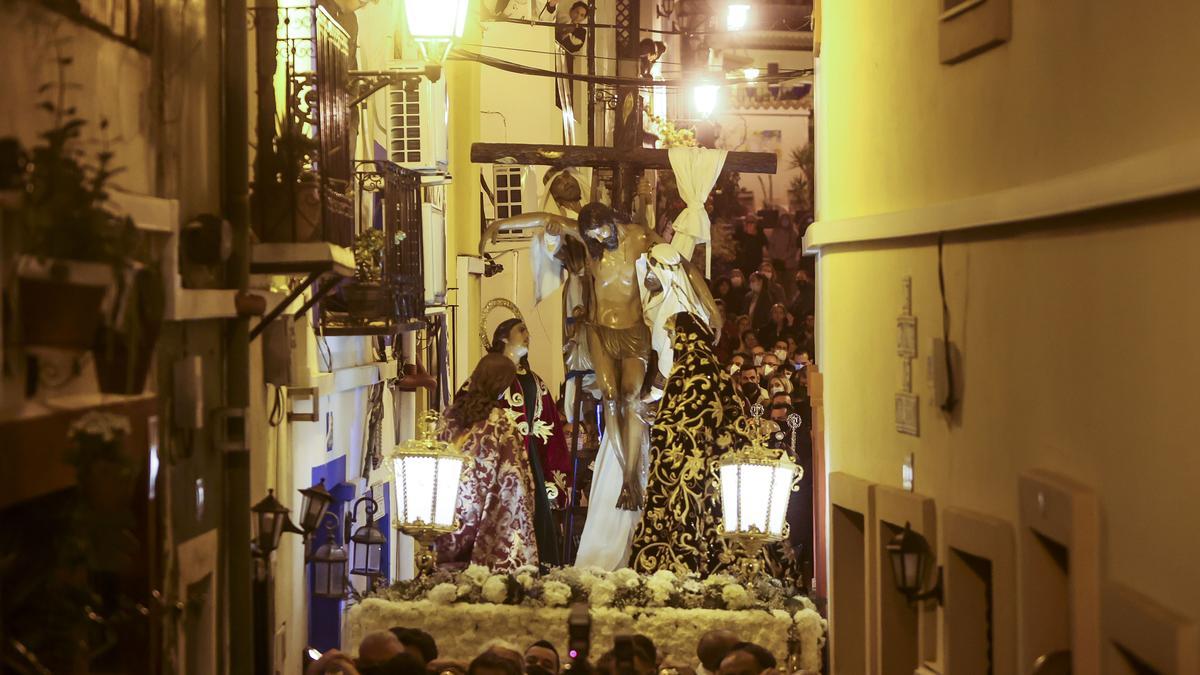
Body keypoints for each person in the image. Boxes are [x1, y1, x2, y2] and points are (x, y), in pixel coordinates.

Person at [483, 203, 718, 571]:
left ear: (612, 222)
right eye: (592, 238)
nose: (599, 242)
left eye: (603, 235)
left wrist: (709, 306)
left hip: (633, 333)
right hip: (599, 331)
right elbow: (548, 221)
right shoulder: (589, 241)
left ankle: (631, 478)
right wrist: (499, 223)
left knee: (630, 397)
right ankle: (625, 476)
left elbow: (680, 265)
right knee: (610, 397)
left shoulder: (639, 237)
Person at [435, 354, 540, 571]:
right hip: (487, 516)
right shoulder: (501, 424)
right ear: (501, 386)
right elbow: (516, 480)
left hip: (449, 512)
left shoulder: (448, 417)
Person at [487, 317, 572, 566]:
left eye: (527, 330)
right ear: (503, 338)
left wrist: (554, 476)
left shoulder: (534, 380)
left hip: (531, 462)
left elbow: (551, 429)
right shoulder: (489, 373)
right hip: (500, 463)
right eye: (520, 330)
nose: (527, 335)